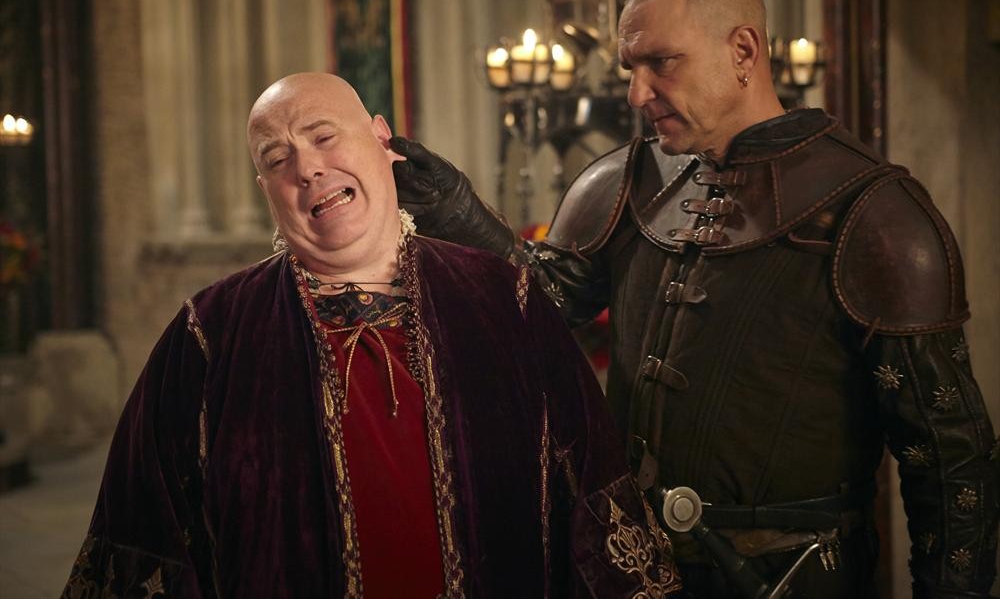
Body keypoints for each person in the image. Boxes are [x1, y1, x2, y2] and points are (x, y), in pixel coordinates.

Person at [390, 0, 999, 598]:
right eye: (631, 68)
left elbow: (950, 460)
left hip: (792, 580)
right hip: (626, 570)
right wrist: (458, 213)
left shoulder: (874, 215)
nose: (637, 93)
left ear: (744, 51)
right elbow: (549, 301)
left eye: (662, 62)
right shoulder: (624, 181)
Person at [61, 73, 682, 598]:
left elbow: (594, 499)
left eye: (324, 136)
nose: (307, 167)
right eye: (277, 160)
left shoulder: (504, 299)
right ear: (266, 191)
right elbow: (140, 538)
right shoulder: (210, 333)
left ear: (382, 139)